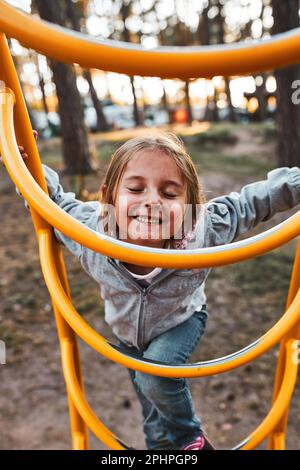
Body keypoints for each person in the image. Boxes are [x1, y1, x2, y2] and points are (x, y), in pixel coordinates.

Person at [3, 131, 300, 450]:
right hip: (126, 335)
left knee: (155, 376)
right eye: (135, 188)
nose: (152, 200)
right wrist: (23, 163)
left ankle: (191, 440)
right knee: (152, 408)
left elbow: (251, 202)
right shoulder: (90, 232)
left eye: (170, 193)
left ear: (189, 207)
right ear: (108, 197)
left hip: (181, 321)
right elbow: (52, 202)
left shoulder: (202, 230)